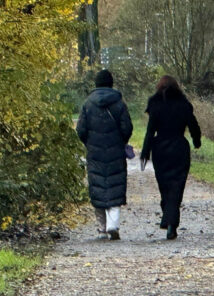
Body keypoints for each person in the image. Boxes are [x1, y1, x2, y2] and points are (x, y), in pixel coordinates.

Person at [140, 75, 202, 240]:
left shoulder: (155, 104)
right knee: (177, 185)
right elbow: (193, 124)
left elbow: (150, 130)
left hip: (160, 148)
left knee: (164, 186)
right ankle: (171, 223)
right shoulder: (183, 104)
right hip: (179, 148)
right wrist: (196, 141)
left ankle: (168, 217)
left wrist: (145, 151)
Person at [76, 69, 133, 240]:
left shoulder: (88, 104)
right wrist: (120, 141)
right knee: (115, 185)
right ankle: (113, 225)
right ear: (111, 83)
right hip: (115, 151)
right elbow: (127, 128)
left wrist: (90, 143)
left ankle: (102, 228)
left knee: (98, 187)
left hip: (95, 152)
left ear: (96, 84)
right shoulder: (119, 103)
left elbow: (80, 130)